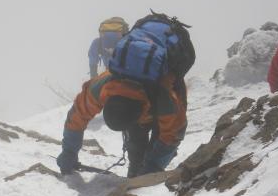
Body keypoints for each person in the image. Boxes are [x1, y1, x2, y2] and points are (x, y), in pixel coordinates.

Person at [56, 71, 187, 178]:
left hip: (163, 103)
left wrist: (154, 166)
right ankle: (134, 174)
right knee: (136, 151)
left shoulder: (167, 101)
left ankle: (144, 178)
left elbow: (173, 135)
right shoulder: (100, 88)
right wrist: (69, 151)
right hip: (138, 109)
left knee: (155, 152)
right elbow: (77, 117)